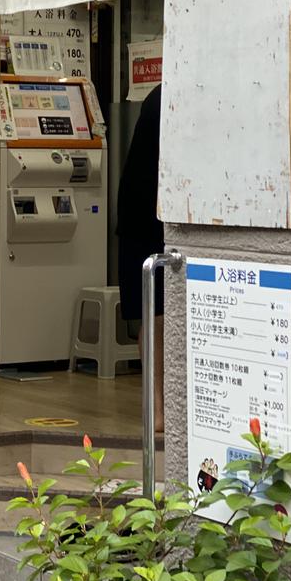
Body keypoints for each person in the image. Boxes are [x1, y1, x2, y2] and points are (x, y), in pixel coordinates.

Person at [117, 83, 165, 432]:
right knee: (158, 317)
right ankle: (159, 410)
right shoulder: (169, 98)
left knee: (154, 317)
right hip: (150, 219)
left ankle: (157, 409)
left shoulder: (158, 96)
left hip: (141, 217)